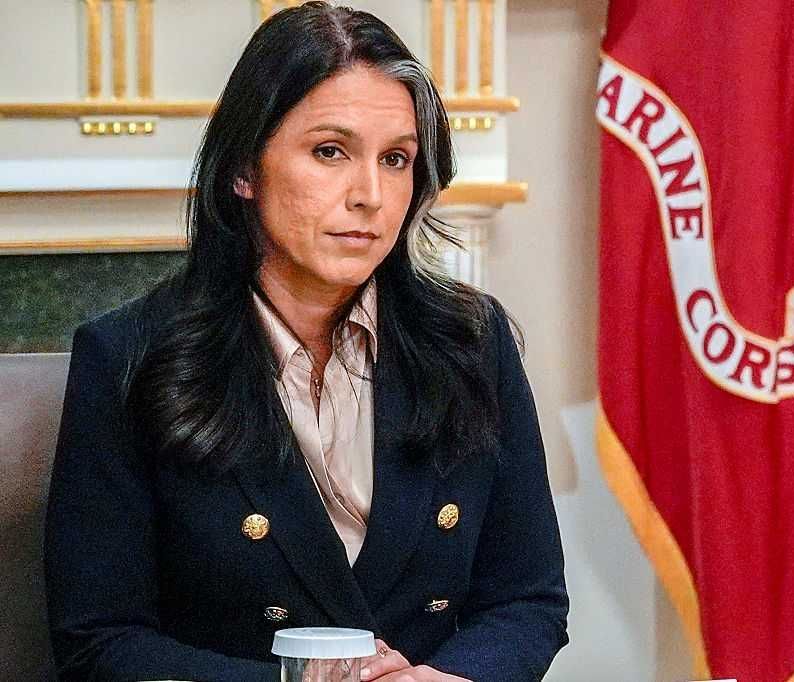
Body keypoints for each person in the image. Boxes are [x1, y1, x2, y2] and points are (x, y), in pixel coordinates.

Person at [43, 4, 568, 681]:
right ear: (244, 169)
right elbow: (100, 641)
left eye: (396, 159)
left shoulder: (473, 340)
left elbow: (527, 600)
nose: (370, 195)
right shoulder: (127, 355)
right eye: (330, 151)